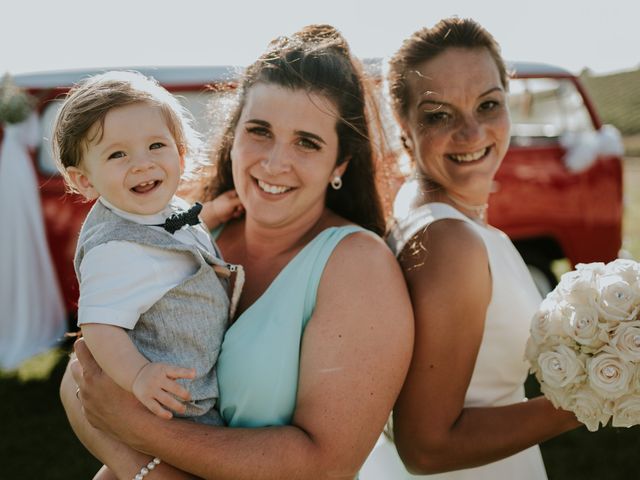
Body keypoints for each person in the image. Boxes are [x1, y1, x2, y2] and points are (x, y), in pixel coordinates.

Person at [59, 24, 414, 480]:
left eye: (307, 142)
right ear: (235, 134)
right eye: (260, 131)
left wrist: (136, 443)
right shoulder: (193, 226)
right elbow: (82, 378)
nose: (273, 162)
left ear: (339, 165)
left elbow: (325, 466)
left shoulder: (359, 267)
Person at [360, 17, 581, 480]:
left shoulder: (419, 208)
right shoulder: (450, 240)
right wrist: (594, 395)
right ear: (403, 126)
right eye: (439, 114)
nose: (472, 133)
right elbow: (427, 447)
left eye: (488, 105)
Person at [52, 70, 244, 433]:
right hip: (173, 402)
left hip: (195, 389)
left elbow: (176, 224)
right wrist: (138, 375)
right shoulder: (115, 248)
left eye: (156, 146)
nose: (142, 163)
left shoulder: (156, 208)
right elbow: (99, 326)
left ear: (181, 154)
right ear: (84, 180)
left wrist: (214, 212)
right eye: (118, 154)